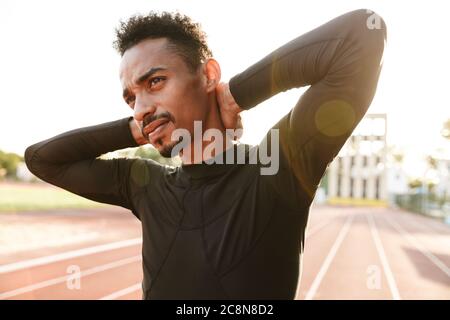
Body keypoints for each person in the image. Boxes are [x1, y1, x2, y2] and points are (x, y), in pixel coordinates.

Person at [25, 9, 386, 299]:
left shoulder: (277, 168)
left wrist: (238, 93)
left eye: (155, 82)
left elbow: (362, 35)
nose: (139, 107)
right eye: (131, 98)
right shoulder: (144, 185)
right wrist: (139, 126)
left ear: (209, 74)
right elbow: (42, 159)